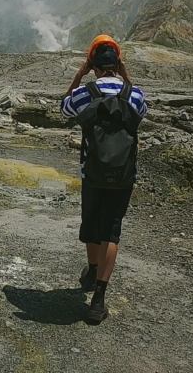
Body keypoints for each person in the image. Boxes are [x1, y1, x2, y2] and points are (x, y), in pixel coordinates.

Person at [61, 35, 148, 324]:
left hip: (92, 171)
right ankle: (98, 299)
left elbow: (64, 107)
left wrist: (79, 74)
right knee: (111, 230)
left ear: (93, 63)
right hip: (123, 174)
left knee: (92, 223)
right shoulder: (134, 94)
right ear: (118, 62)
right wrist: (124, 74)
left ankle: (90, 269)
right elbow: (141, 112)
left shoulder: (86, 92)